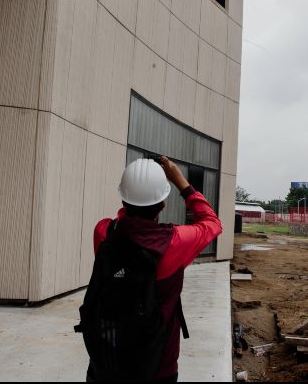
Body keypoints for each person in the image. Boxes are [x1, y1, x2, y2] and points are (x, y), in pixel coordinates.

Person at [83, 156, 222, 382]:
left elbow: (124, 228)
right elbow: (212, 222)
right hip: (158, 368)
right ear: (163, 203)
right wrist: (182, 183)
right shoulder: (176, 242)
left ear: (124, 199)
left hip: (106, 362)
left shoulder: (103, 232)